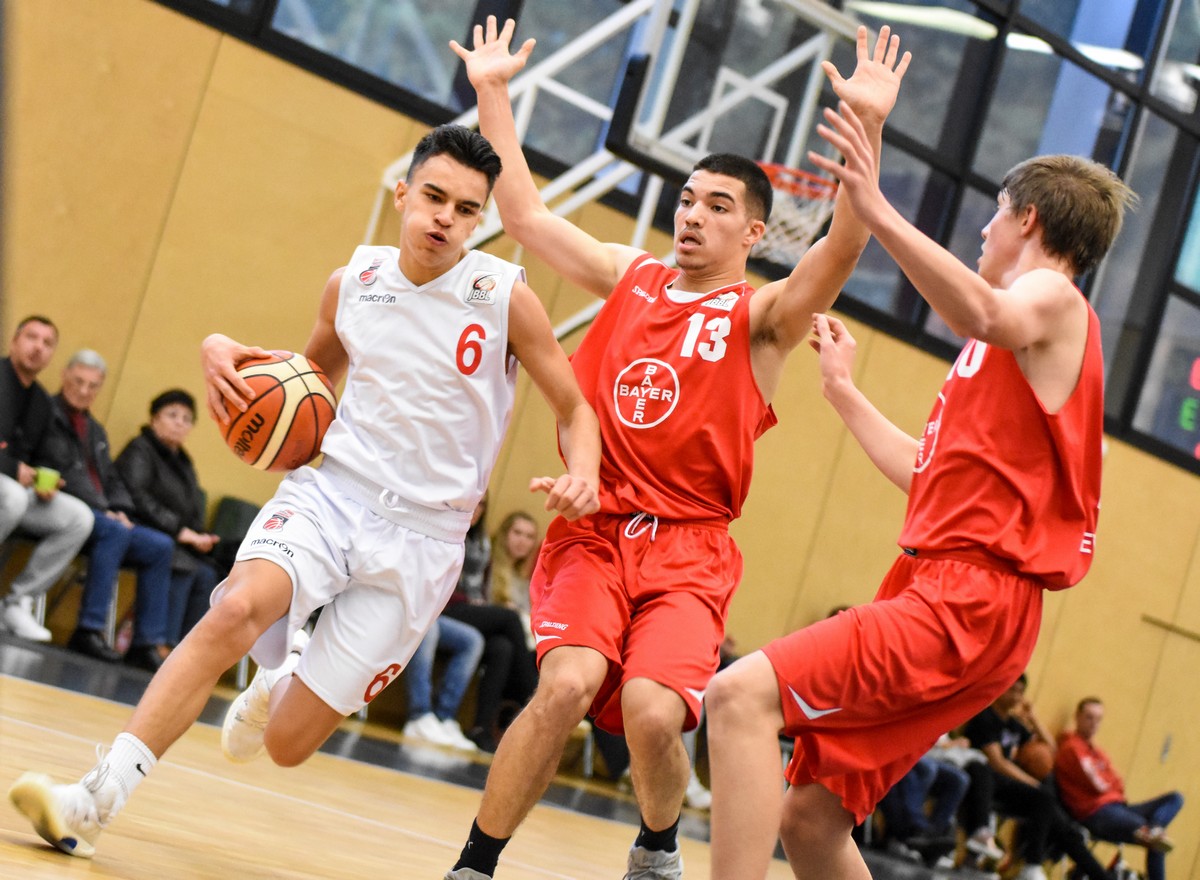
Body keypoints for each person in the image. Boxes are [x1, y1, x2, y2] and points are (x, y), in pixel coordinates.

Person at [8, 123, 600, 861]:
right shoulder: (353, 282)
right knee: (234, 607)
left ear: (481, 220)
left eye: (468, 208)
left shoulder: (502, 297)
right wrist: (224, 350)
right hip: (333, 493)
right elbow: (303, 388)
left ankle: (276, 681)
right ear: (403, 194)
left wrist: (585, 472)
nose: (446, 218)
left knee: (286, 746)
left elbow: (575, 409)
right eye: (434, 196)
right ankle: (92, 801)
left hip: (423, 541)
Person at [445, 18, 910, 880]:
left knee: (658, 714)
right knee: (567, 685)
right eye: (688, 199)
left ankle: (657, 844)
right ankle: (475, 864)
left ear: (755, 236)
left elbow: (843, 244)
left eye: (717, 207)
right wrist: (494, 92)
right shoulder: (632, 275)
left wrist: (869, 126)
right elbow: (523, 213)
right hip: (595, 532)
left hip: (691, 551)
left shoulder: (762, 318)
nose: (692, 215)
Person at [703, 86, 1136, 879]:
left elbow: (984, 312)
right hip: (955, 593)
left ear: (1029, 220)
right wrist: (843, 392)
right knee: (811, 817)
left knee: (736, 698)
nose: (983, 228)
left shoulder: (1049, 299)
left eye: (995, 212)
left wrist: (872, 204)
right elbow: (924, 474)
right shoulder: (1003, 347)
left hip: (972, 599)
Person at [36, 350, 174, 671]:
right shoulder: (48, 415)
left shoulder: (95, 430)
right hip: (68, 509)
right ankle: (88, 629)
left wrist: (121, 509)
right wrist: (106, 510)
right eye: (78, 382)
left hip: (104, 514)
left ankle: (145, 643)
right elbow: (64, 470)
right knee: (114, 531)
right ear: (64, 377)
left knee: (159, 546)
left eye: (92, 386)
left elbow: (110, 478)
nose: (84, 391)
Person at [0, 316, 94, 642]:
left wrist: (46, 481)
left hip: (16, 491)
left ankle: (17, 602)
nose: (38, 347)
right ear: (14, 341)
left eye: (47, 343)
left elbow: (39, 457)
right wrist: (14, 470)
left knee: (78, 517)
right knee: (11, 494)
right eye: (31, 337)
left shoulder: (41, 401)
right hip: (7, 487)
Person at [964, 677, 1112, 880]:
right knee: (1047, 802)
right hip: (983, 780)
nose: (1016, 696)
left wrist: (1033, 719)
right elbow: (998, 763)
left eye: (1020, 692)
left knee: (1051, 808)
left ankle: (1032, 865)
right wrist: (1032, 784)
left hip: (1006, 786)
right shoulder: (986, 718)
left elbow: (1051, 749)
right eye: (1012, 690)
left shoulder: (1014, 724)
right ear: (1000, 689)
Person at [115, 388, 222, 647]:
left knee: (207, 574)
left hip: (174, 536)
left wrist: (200, 535)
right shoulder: (140, 449)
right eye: (172, 415)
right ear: (154, 419)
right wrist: (180, 532)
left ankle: (185, 649)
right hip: (139, 527)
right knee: (182, 563)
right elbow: (138, 497)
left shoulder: (184, 463)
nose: (179, 423)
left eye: (186, 419)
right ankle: (155, 643)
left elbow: (191, 507)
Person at [1055, 697, 1183, 880]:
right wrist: (1111, 787)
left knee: (1175, 799)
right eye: (1089, 717)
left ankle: (1154, 828)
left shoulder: (1097, 752)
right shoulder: (1072, 748)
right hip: (1095, 813)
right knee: (1157, 842)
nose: (1093, 724)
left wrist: (1111, 787)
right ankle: (1152, 832)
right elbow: (1099, 785)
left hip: (1118, 808)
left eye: (1098, 719)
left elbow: (1118, 785)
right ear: (1077, 717)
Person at [402, 614, 485, 751]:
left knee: (473, 640)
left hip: (432, 612)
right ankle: (419, 715)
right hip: (411, 611)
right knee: (429, 627)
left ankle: (443, 716)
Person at [488, 510, 539, 640]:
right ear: (505, 534)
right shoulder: (488, 563)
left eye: (529, 537)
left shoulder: (523, 578)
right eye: (517, 533)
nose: (523, 541)